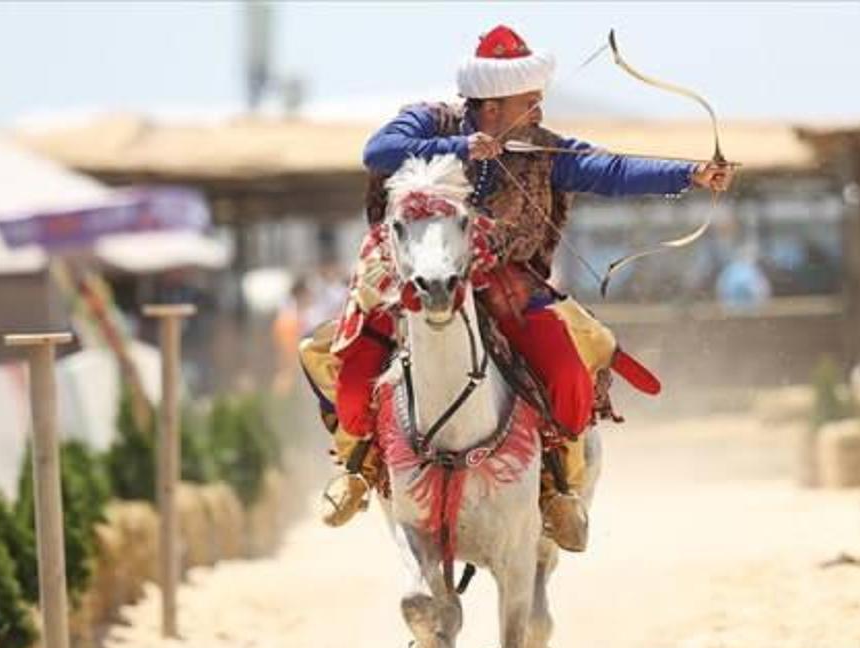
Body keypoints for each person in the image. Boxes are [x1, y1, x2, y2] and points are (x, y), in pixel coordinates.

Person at [299, 25, 733, 552]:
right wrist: (462, 148)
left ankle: (558, 489)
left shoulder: (544, 149)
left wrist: (690, 175)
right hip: (413, 271)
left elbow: (610, 169)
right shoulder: (430, 120)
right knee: (351, 365)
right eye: (530, 101)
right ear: (493, 105)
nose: (539, 111)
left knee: (570, 371)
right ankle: (359, 467)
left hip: (501, 276)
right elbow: (380, 151)